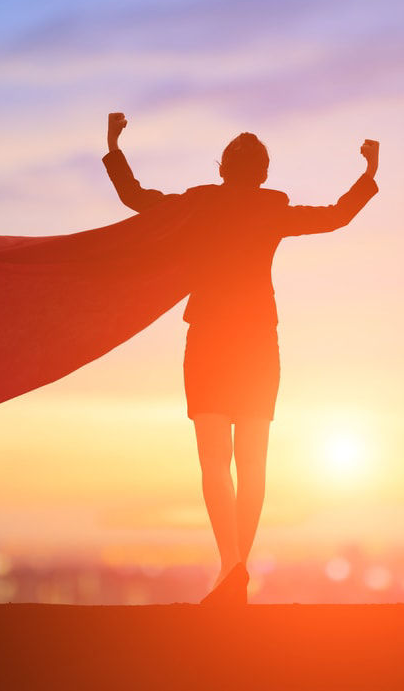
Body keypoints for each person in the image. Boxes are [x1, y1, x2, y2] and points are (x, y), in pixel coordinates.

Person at [103, 112, 379, 604]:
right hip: (256, 342)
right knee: (252, 463)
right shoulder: (273, 210)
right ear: (264, 173)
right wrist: (369, 174)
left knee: (215, 461)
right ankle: (237, 570)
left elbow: (137, 199)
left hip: (210, 338)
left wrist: (114, 145)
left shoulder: (199, 205)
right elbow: (338, 214)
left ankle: (231, 567)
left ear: (223, 168)